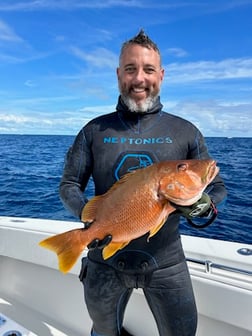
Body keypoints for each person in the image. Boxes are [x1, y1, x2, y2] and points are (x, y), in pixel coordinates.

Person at [59, 30, 227, 336]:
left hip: (166, 262)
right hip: (104, 260)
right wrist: (88, 218)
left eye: (148, 69)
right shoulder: (93, 130)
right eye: (130, 69)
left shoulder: (186, 131)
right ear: (118, 74)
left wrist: (201, 207)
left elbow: (217, 187)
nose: (139, 78)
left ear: (161, 75)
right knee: (103, 332)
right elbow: (69, 184)